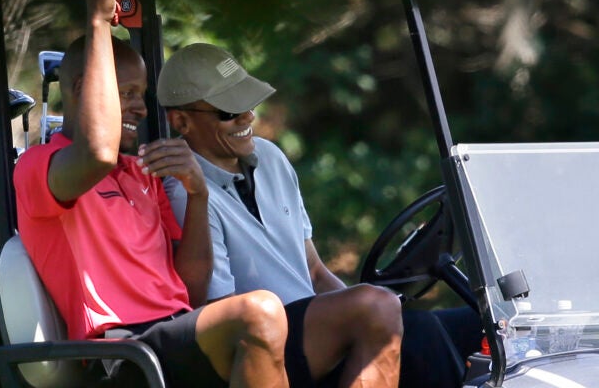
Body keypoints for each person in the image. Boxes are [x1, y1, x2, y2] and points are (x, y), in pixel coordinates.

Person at [13, 0, 290, 387]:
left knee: (370, 309)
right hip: (121, 352)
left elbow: (191, 290)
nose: (141, 109)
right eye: (127, 94)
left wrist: (198, 194)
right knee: (261, 312)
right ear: (83, 89)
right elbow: (97, 153)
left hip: (170, 333)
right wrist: (97, 19)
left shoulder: (142, 173)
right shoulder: (40, 168)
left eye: (142, 95)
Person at [158, 43, 482, 387]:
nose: (248, 117)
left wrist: (369, 315)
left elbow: (314, 272)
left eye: (248, 104)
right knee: (417, 328)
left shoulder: (270, 156)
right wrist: (367, 311)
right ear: (181, 121)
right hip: (263, 346)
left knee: (473, 325)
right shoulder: (185, 194)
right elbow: (220, 309)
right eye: (229, 111)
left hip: (314, 330)